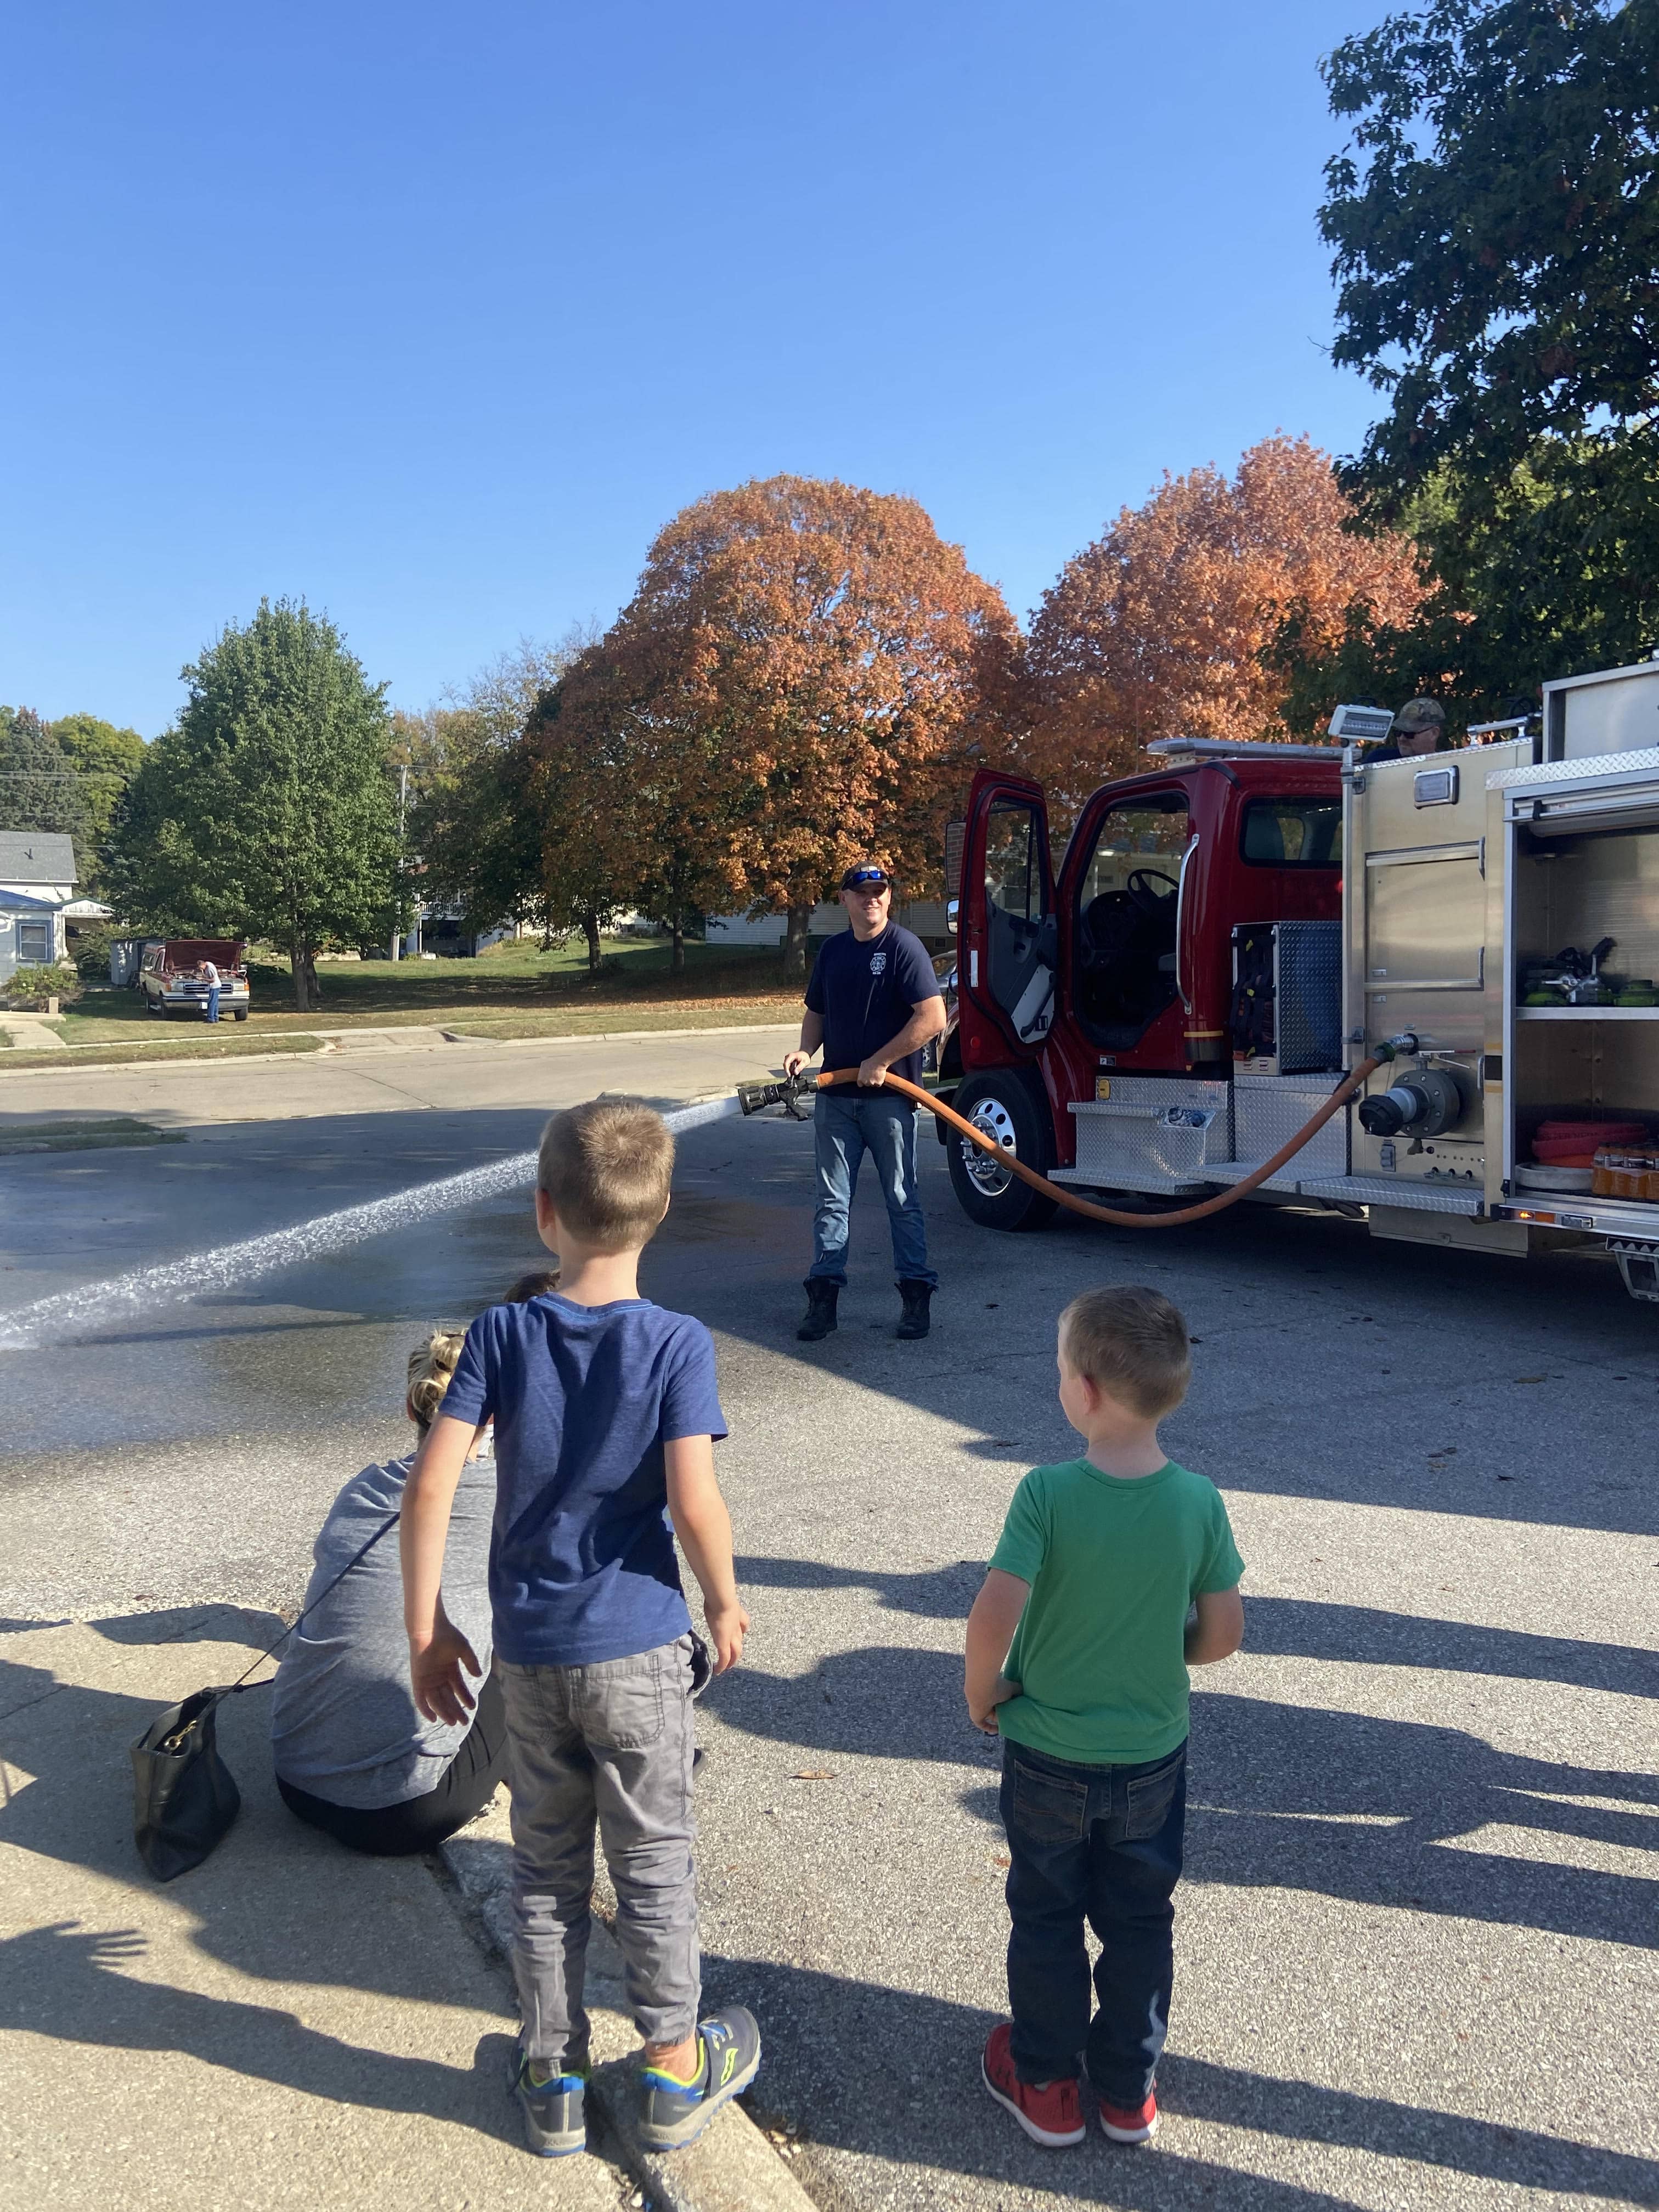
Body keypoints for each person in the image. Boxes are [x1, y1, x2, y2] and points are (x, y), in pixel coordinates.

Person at [400, 1098, 759, 2162]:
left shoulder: (503, 1332)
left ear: (544, 1212)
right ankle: (671, 2069)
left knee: (545, 1870)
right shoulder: (678, 1346)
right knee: (653, 1867)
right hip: (640, 1651)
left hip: (530, 1657)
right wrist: (725, 1599)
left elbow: (431, 1488)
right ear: (659, 1216)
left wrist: (428, 1633)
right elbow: (695, 1501)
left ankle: (552, 2077)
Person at [964, 1284, 1245, 2150]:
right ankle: (1127, 2089)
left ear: (1083, 1390)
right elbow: (1225, 1633)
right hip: (1153, 1755)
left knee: (1046, 1913)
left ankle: (1045, 2080)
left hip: (1048, 1748)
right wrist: (1172, 1659)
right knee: (1139, 1920)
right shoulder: (1198, 1501)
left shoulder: (1047, 1494)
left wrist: (986, 1694)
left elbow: (992, 1615)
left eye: (1059, 1369)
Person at [269, 1325, 506, 1855]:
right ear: (495, 1417)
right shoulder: (507, 1496)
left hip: (293, 1781)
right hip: (401, 1812)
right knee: (529, 1638)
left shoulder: (364, 1486)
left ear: (410, 1408)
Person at [782, 862, 947, 1344]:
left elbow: (933, 1017)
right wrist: (804, 1051)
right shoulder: (833, 952)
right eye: (862, 892)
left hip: (889, 1101)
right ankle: (824, 1301)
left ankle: (916, 1298)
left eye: (880, 891)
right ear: (845, 900)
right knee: (832, 1202)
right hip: (837, 1100)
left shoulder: (903, 948)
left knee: (902, 1198)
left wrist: (882, 1059)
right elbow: (818, 1010)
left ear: (889, 898)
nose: (872, 899)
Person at [1370, 697, 1449, 762]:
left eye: (1410, 734)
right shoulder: (1379, 759)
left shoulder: (1447, 765)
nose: (1402, 738)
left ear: (1434, 734)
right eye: (1398, 732)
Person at [200, 955, 221, 1024]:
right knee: (215, 1003)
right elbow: (208, 975)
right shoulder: (208, 964)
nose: (201, 969)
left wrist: (202, 979)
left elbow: (213, 980)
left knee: (211, 1003)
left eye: (201, 967)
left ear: (203, 965)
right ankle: (216, 1017)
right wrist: (203, 972)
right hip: (215, 986)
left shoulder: (210, 969)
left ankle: (210, 1018)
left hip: (215, 986)